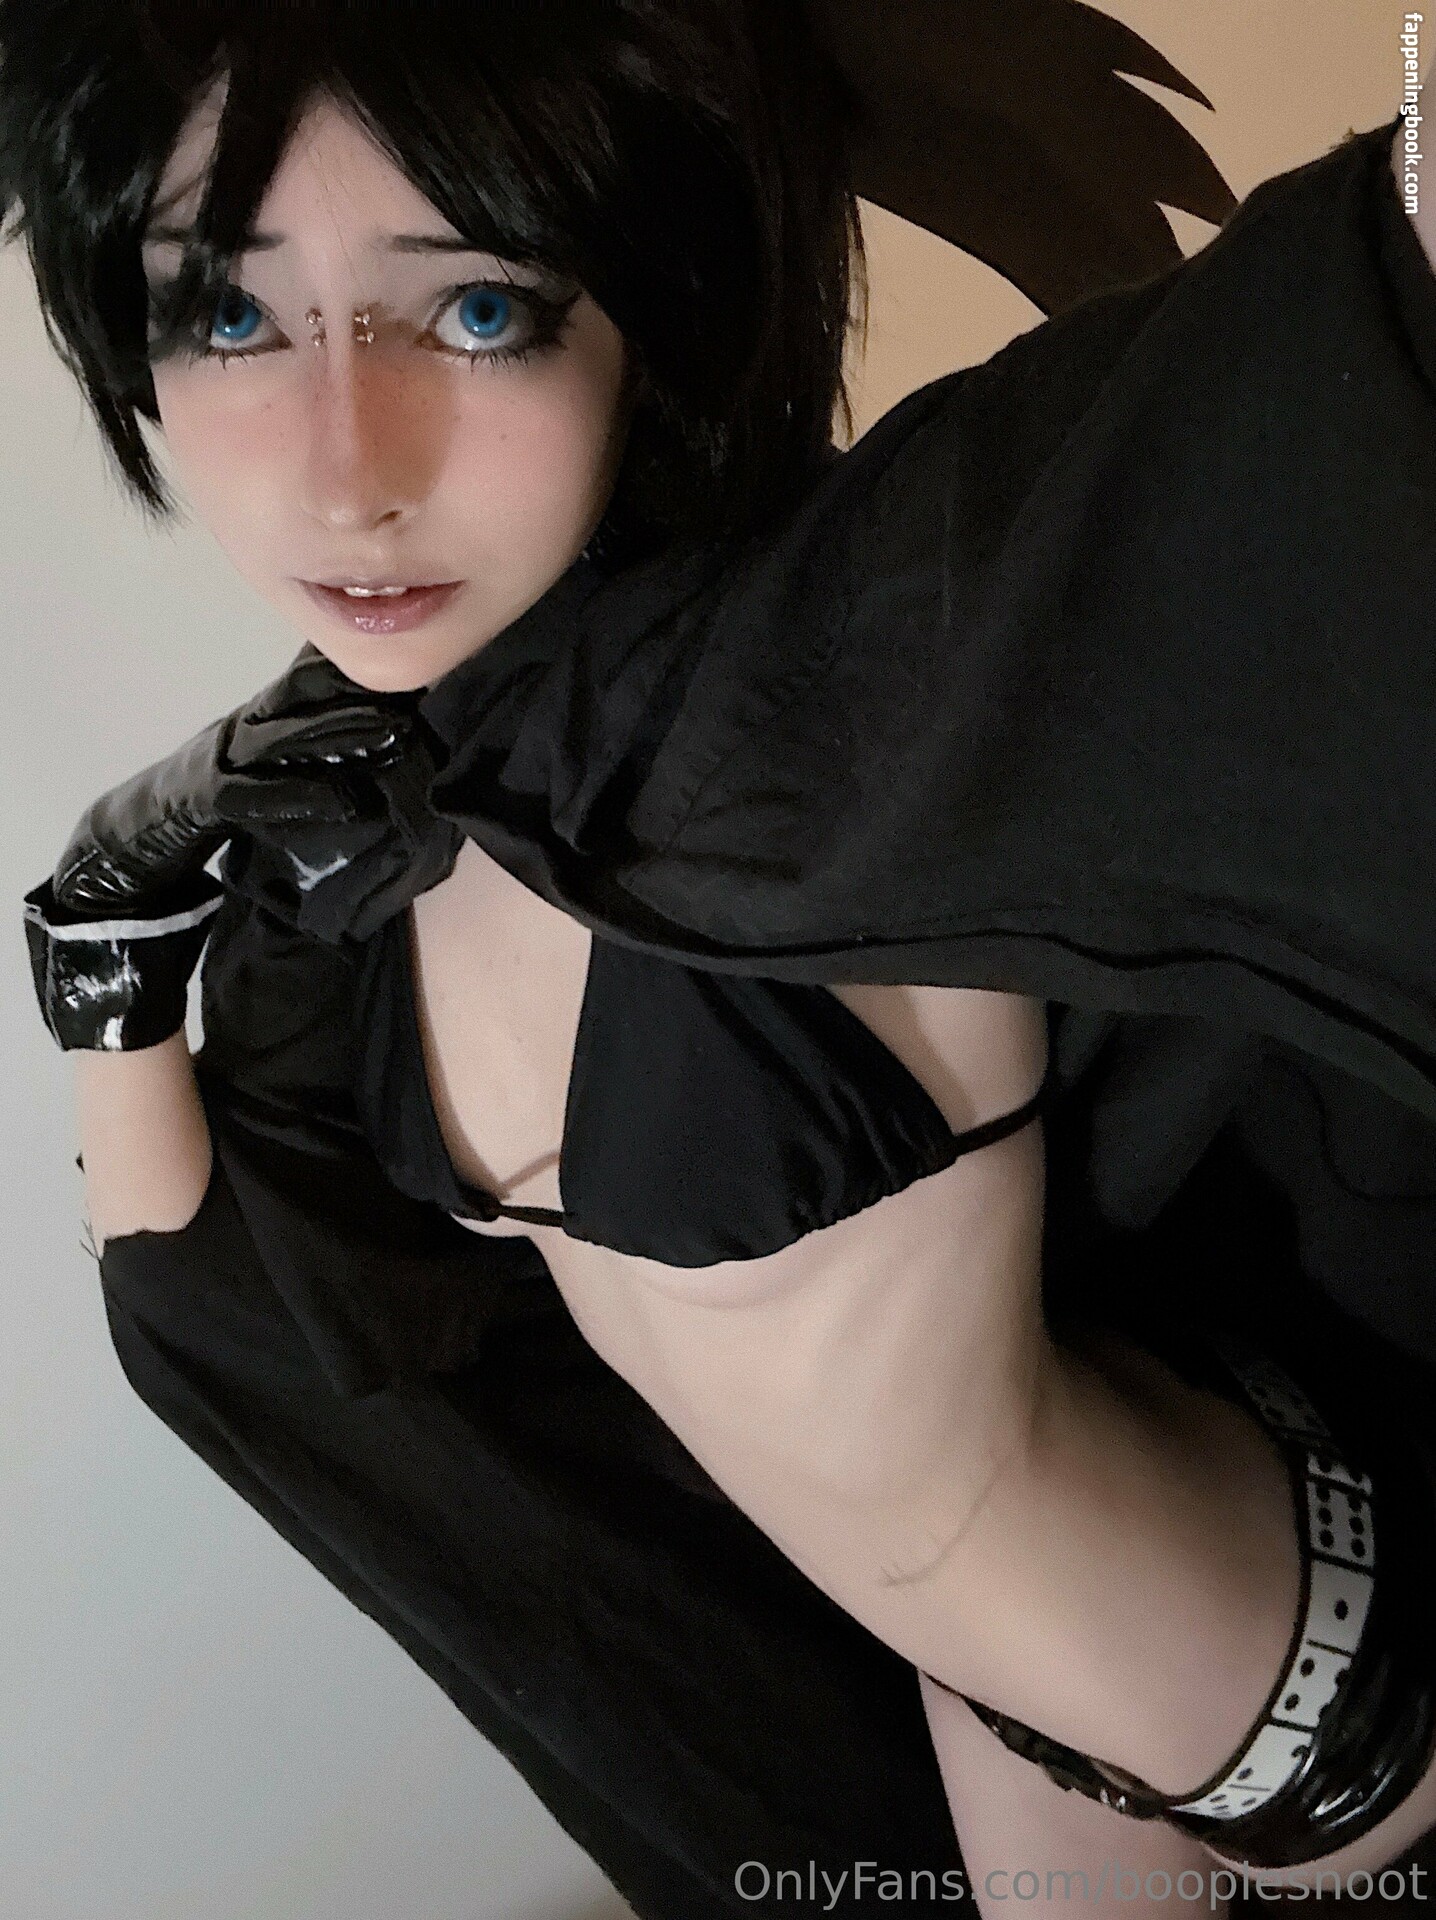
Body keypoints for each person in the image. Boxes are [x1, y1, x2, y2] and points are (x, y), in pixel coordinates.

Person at [11, 2, 1436, 1913]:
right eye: (231, 312)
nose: (347, 475)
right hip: (1004, 1727)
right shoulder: (372, 820)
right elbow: (212, 1312)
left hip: (1299, 1697)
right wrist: (108, 913)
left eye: (479, 309)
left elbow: (1354, 341)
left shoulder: (830, 660)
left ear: (651, 305)